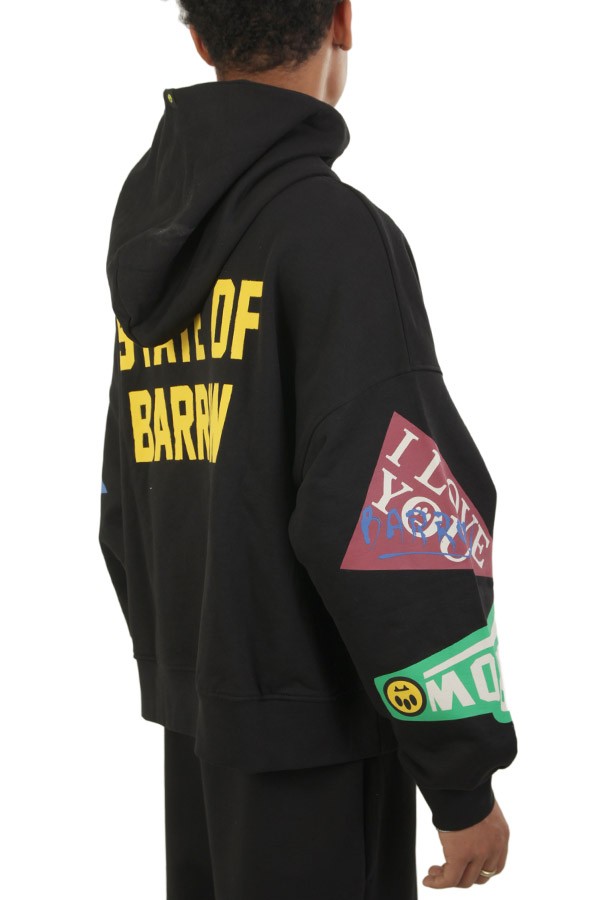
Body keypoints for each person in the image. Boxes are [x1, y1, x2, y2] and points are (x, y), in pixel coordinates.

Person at [99, 1, 517, 897]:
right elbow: (397, 518)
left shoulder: (154, 248)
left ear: (200, 39)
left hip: (206, 736)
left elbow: (125, 498)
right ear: (342, 18)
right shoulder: (335, 235)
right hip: (319, 748)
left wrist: (197, 673)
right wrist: (461, 773)